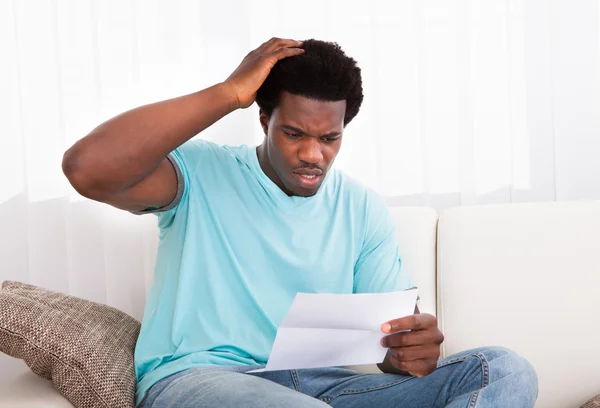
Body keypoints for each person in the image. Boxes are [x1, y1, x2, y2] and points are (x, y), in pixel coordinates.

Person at [62, 38, 538, 408]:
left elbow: (390, 350)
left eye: (330, 138)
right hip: (204, 382)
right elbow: (87, 168)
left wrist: (407, 352)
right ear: (264, 118)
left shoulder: (360, 206)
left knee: (502, 368)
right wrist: (229, 93)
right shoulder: (199, 175)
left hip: (327, 389)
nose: (313, 155)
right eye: (293, 134)